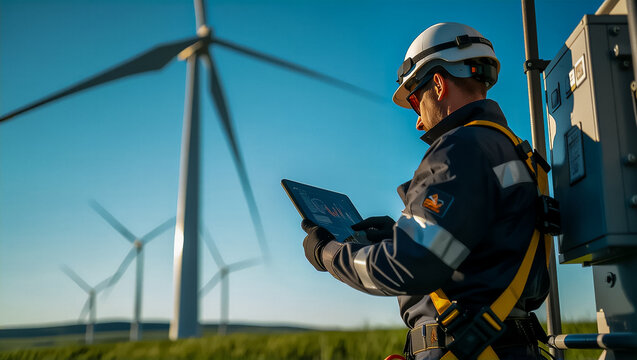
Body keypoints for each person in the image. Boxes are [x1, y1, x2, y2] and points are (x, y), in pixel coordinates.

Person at [301, 22, 551, 360]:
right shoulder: (514, 152)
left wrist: (327, 254)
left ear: (438, 83)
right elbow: (491, 249)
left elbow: (407, 266)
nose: (418, 120)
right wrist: (399, 233)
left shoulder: (459, 150)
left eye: (416, 101)